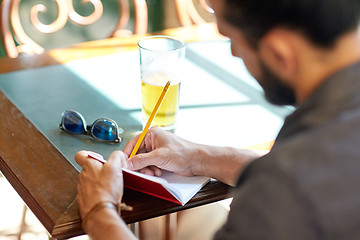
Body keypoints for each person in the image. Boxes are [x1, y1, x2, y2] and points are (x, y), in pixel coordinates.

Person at [75, 0, 360, 239]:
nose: (234, 52)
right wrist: (198, 157)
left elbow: (294, 184)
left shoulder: (284, 186)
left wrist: (98, 212)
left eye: (232, 38)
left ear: (279, 52)